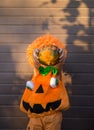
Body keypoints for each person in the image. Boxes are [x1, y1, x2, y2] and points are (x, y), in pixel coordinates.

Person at [20, 34, 70, 130]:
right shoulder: (37, 74)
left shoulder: (55, 74)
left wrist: (60, 59)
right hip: (35, 116)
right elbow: (36, 67)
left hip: (53, 115)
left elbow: (58, 69)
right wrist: (35, 55)